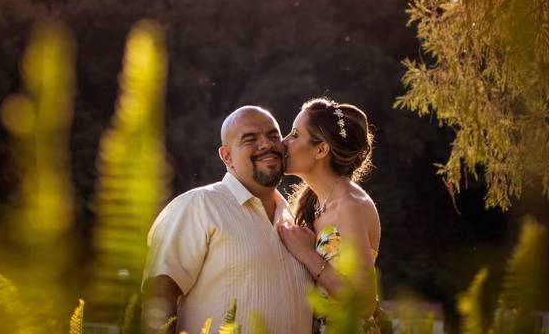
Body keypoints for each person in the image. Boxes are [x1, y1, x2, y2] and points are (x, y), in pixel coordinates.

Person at [142, 105, 313, 334]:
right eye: (250, 139)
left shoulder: (294, 221)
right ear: (227, 156)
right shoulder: (198, 206)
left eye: (273, 135)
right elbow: (158, 297)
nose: (266, 144)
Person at [277, 98, 382, 334]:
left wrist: (306, 253)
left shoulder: (350, 206)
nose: (283, 142)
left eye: (294, 135)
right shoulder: (312, 202)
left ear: (321, 149)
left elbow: (364, 304)